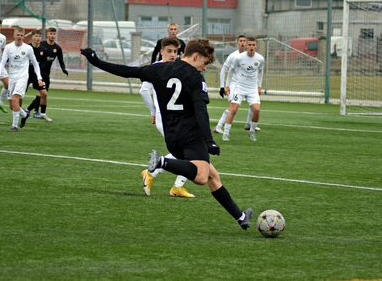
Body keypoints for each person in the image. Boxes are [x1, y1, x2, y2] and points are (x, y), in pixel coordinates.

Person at [81, 38, 253, 231]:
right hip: (191, 136)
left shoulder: (159, 69)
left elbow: (127, 71)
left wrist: (95, 61)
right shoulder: (195, 78)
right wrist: (209, 140)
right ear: (196, 56)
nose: (204, 68)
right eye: (204, 63)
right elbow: (200, 111)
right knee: (203, 177)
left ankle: (240, 217)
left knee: (213, 176)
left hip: (172, 137)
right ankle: (162, 163)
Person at [139, 37, 194, 198]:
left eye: (175, 52)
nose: (172, 54)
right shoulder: (155, 68)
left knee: (191, 153)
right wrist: (153, 111)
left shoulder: (178, 67)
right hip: (166, 119)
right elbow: (143, 91)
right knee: (189, 153)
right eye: (169, 51)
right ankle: (153, 172)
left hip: (180, 118)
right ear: (161, 51)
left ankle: (175, 185)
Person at [0, 26, 43, 132]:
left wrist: (39, 78)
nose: (19, 37)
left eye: (21, 35)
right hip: (12, 77)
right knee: (12, 105)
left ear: (24, 36)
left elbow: (35, 64)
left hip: (22, 77)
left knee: (15, 99)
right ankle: (24, 114)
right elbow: (3, 62)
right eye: (18, 35)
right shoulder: (8, 47)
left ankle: (14, 126)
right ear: (14, 35)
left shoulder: (28, 48)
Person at [213, 35, 260, 134]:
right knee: (232, 107)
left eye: (244, 41)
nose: (242, 43)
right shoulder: (233, 56)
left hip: (247, 86)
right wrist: (223, 86)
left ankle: (248, 124)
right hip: (234, 85)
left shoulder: (254, 57)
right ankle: (219, 126)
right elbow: (224, 70)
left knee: (253, 105)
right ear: (237, 43)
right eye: (240, 41)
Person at [222, 37, 264, 142]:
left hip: (252, 89)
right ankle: (226, 133)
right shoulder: (239, 58)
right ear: (246, 46)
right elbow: (231, 71)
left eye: (253, 45)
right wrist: (227, 86)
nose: (251, 47)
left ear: (256, 46)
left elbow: (260, 72)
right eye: (249, 45)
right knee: (233, 109)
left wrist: (259, 86)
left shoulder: (260, 59)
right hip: (239, 87)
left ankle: (252, 132)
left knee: (257, 109)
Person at [26, 27, 68, 121]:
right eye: (51, 34)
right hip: (37, 73)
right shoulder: (41, 44)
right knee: (41, 93)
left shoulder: (57, 48)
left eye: (54, 34)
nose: (52, 36)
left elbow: (61, 60)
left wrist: (63, 69)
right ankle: (32, 111)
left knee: (42, 94)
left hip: (46, 74)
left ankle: (31, 110)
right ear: (47, 34)